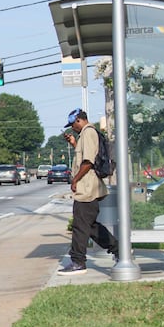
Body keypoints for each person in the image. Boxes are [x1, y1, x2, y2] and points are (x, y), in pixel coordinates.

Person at [58, 108, 119, 276]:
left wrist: (75, 179)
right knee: (90, 226)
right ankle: (119, 250)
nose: (72, 128)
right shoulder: (84, 135)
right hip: (89, 186)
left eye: (72, 125)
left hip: (87, 187)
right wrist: (74, 144)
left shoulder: (88, 133)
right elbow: (86, 155)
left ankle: (78, 262)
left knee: (80, 225)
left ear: (79, 120)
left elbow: (88, 161)